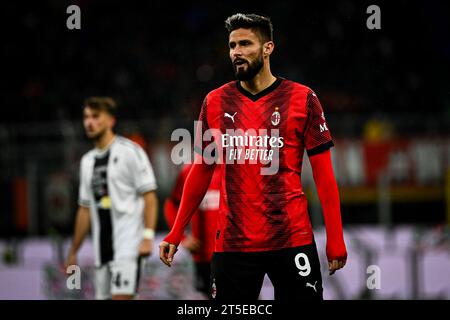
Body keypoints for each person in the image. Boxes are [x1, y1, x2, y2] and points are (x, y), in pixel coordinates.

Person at [159, 13, 347, 300]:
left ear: (268, 48)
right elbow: (200, 170)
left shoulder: (302, 99)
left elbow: (324, 177)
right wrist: (175, 232)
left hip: (291, 240)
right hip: (233, 246)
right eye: (232, 45)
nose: (236, 52)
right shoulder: (214, 101)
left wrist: (335, 238)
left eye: (245, 44)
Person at [65, 97, 158, 300]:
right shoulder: (87, 162)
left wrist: (148, 236)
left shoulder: (130, 152)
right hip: (102, 252)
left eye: (96, 116)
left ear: (110, 120)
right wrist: (73, 251)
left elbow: (149, 196)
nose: (89, 122)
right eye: (86, 117)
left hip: (128, 247)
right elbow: (85, 209)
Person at [164, 164, 220, 297]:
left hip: (235, 252)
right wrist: (183, 238)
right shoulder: (190, 171)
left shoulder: (237, 168)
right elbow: (171, 205)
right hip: (204, 255)